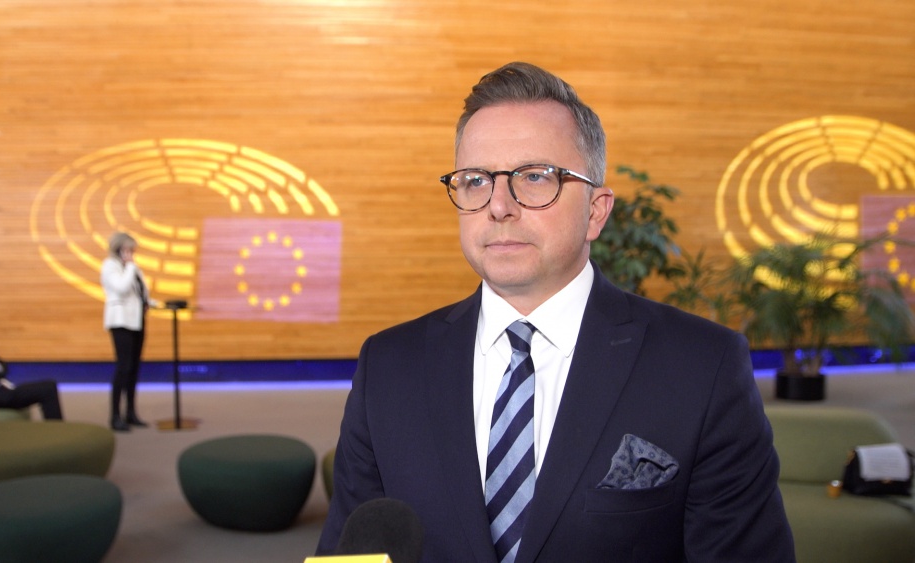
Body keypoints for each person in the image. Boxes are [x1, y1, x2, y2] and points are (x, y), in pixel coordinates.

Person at [317, 62, 795, 562]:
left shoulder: (702, 366)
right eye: (476, 180)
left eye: (534, 177)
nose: (498, 205)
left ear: (596, 211)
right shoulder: (388, 366)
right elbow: (348, 554)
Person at [101, 231, 155, 432]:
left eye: (133, 250)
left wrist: (152, 303)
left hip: (137, 320)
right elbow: (121, 288)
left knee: (134, 368)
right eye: (128, 249)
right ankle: (115, 416)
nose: (132, 253)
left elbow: (140, 292)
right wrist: (130, 266)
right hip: (120, 321)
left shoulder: (132, 268)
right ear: (119, 249)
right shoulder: (110, 266)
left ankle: (130, 412)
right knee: (123, 368)